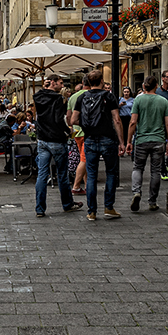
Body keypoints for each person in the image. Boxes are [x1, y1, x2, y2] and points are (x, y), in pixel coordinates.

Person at [72, 68, 126, 221]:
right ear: (101, 81)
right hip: (108, 139)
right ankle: (109, 207)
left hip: (89, 139)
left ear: (88, 83)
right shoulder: (109, 96)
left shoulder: (82, 98)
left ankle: (92, 211)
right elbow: (116, 119)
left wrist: (87, 125)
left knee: (91, 175)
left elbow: (73, 120)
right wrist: (121, 142)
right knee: (110, 173)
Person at [32, 74, 81, 217]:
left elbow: (38, 95)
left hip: (42, 140)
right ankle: (67, 204)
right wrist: (68, 130)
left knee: (42, 174)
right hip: (57, 139)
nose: (62, 85)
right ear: (53, 83)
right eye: (60, 83)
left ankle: (40, 208)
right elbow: (59, 119)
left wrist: (44, 87)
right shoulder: (58, 99)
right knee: (62, 174)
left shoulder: (38, 97)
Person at [126, 76, 168, 213]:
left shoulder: (138, 100)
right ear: (157, 86)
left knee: (138, 167)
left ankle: (136, 192)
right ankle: (152, 201)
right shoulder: (163, 101)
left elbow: (133, 122)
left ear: (144, 86)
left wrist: (129, 141)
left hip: (141, 140)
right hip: (158, 140)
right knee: (155, 171)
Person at [66, 75, 88, 193]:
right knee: (84, 160)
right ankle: (76, 186)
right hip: (87, 131)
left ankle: (87, 185)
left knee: (83, 158)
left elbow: (69, 116)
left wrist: (71, 127)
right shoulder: (91, 95)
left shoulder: (73, 97)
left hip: (76, 132)